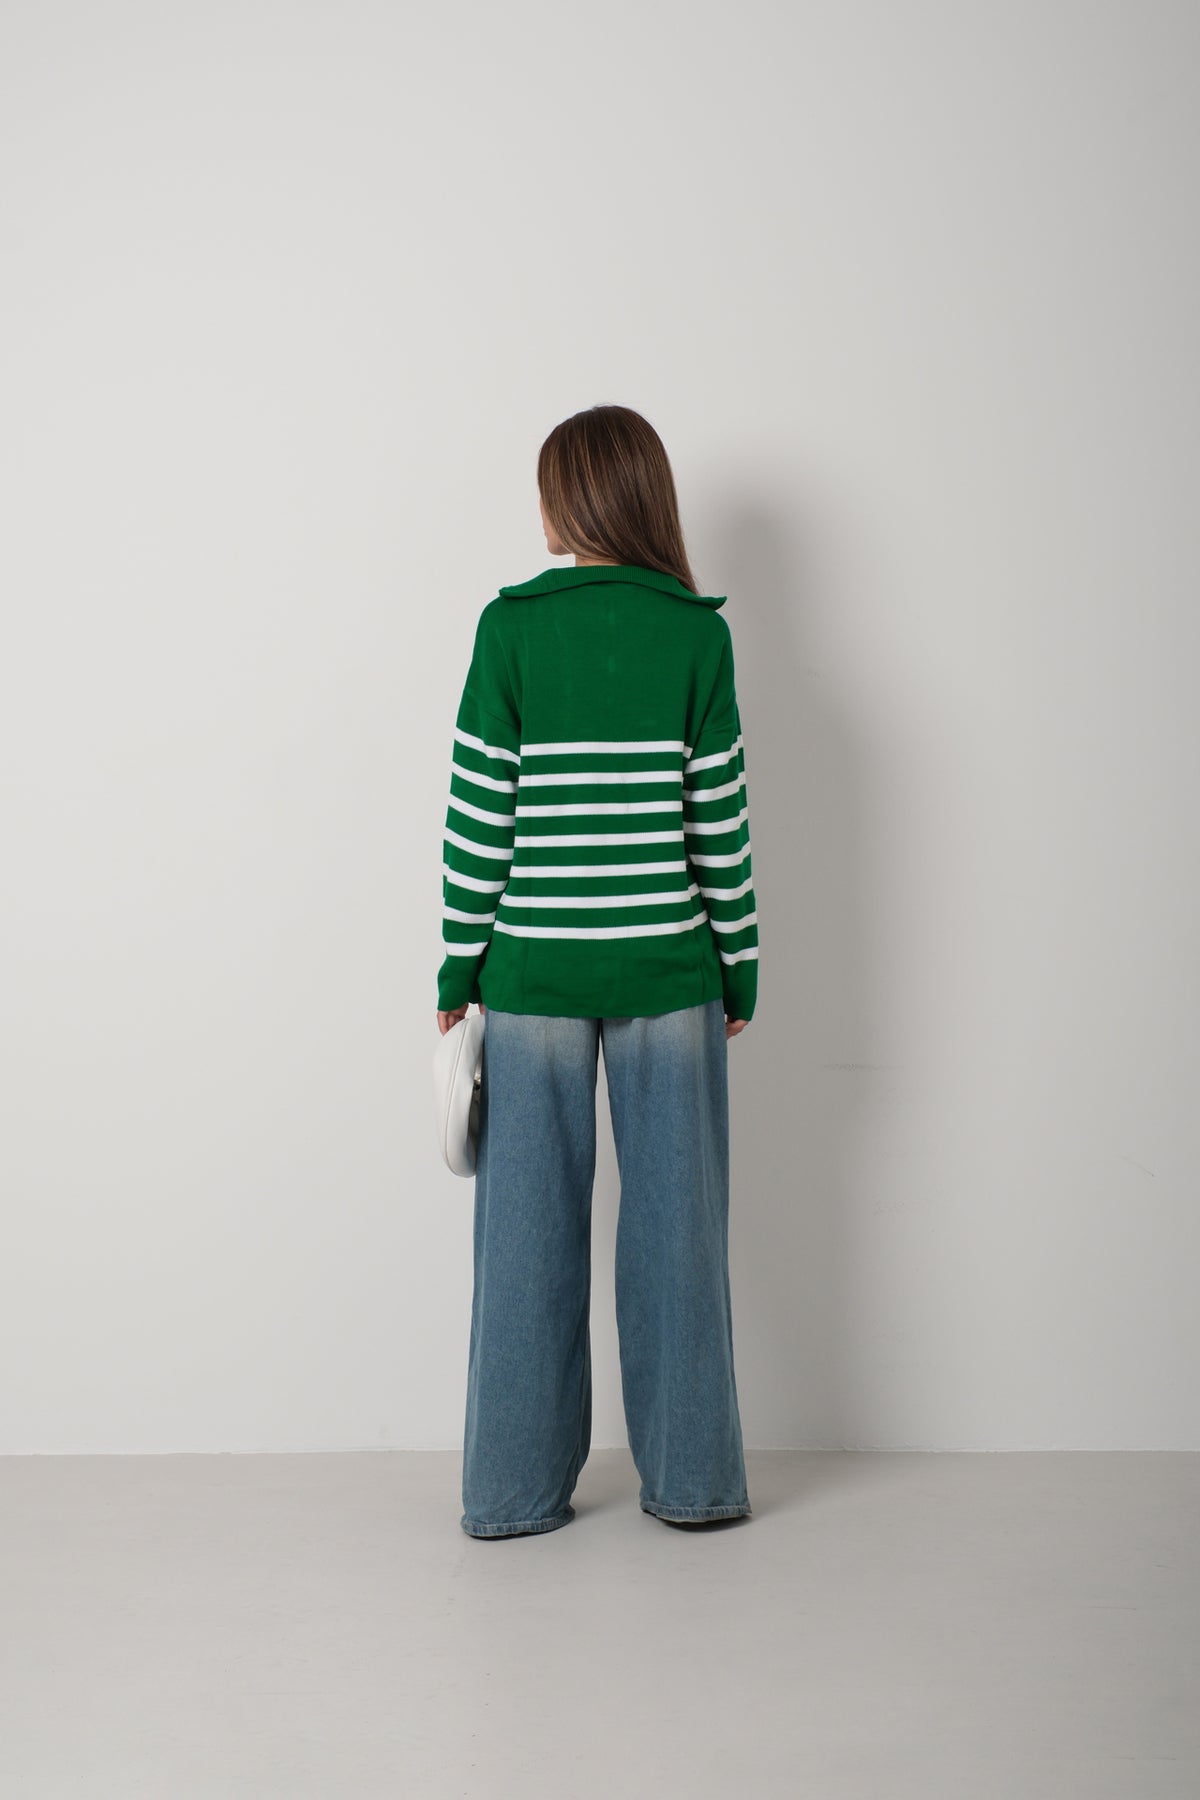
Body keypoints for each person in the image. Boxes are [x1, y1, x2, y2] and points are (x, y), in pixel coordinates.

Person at [435, 403, 758, 1538]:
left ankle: (509, 1492)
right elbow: (720, 828)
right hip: (671, 970)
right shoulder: (694, 635)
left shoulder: (511, 630)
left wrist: (456, 970)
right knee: (681, 1235)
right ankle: (695, 1483)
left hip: (534, 977)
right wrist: (740, 969)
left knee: (524, 1239)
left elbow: (479, 818)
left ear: (567, 503)